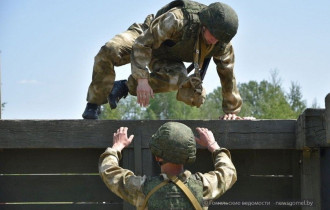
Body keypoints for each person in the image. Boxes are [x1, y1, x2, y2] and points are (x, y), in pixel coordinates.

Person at [83, 0, 242, 120]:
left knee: (180, 82)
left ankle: (123, 87)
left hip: (167, 55)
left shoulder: (222, 44)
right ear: (204, 25)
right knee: (110, 50)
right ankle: (94, 103)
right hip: (146, 36)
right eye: (213, 36)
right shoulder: (178, 20)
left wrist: (231, 111)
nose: (214, 41)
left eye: (219, 39)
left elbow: (228, 75)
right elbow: (143, 43)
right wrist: (142, 79)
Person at [99, 122, 237, 209]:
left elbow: (108, 171)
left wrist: (116, 147)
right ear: (189, 155)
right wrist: (213, 146)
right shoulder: (203, 187)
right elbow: (228, 172)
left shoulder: (142, 188)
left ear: (157, 156)